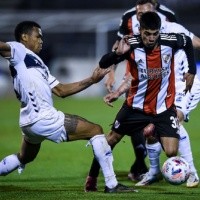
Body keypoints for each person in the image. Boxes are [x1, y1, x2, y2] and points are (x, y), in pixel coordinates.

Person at [0, 21, 137, 193]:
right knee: (95, 130)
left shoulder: (38, 63)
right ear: (24, 37)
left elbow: (61, 90)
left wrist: (91, 80)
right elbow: (3, 47)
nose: (41, 40)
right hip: (43, 117)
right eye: (38, 36)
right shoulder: (18, 50)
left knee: (24, 157)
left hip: (28, 122)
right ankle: (111, 184)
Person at [85, 0, 200, 191]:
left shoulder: (170, 39)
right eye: (147, 34)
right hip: (135, 107)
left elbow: (188, 43)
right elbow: (104, 62)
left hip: (163, 107)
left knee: (171, 151)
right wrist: (115, 55)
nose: (151, 38)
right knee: (111, 138)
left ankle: (155, 149)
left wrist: (191, 71)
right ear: (141, 30)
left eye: (155, 34)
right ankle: (92, 178)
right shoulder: (131, 44)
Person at [105, 0, 178, 182]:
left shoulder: (168, 15)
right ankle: (141, 164)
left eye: (144, 14)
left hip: (161, 71)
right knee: (136, 114)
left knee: (162, 123)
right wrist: (112, 72)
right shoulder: (127, 17)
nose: (140, 17)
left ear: (155, 7)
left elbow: (181, 40)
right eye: (138, 14)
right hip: (135, 68)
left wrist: (187, 69)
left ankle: (146, 163)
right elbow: (118, 45)